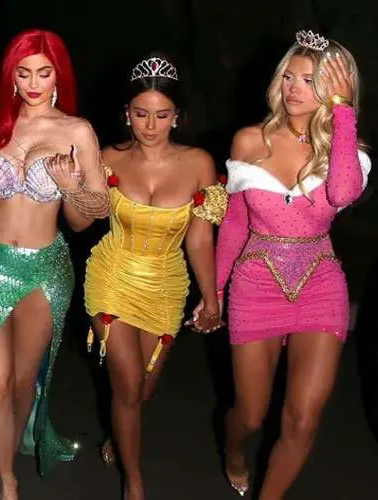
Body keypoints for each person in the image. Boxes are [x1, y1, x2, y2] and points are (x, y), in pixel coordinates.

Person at [0, 28, 111, 500]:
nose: (33, 83)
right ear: (10, 77)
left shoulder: (77, 131)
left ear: (58, 77)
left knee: (21, 383)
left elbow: (95, 212)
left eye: (43, 73)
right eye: (23, 72)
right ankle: (7, 483)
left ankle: (5, 455)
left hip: (44, 269)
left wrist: (70, 187)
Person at [211, 30, 371, 497]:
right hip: (255, 283)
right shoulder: (248, 141)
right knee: (250, 414)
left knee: (302, 420)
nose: (294, 88)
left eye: (310, 80)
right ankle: (233, 449)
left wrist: (343, 113)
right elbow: (235, 222)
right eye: (289, 77)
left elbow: (342, 192)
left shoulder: (348, 151)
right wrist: (215, 290)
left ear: (335, 89)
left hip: (320, 284)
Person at [84, 54, 227, 500]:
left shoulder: (199, 163)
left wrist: (211, 296)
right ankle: (134, 482)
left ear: (177, 116)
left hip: (166, 281)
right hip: (113, 272)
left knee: (144, 389)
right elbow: (80, 218)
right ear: (126, 113)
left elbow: (199, 240)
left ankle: (120, 436)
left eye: (161, 115)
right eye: (141, 113)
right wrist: (72, 186)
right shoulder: (106, 158)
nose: (150, 125)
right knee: (127, 386)